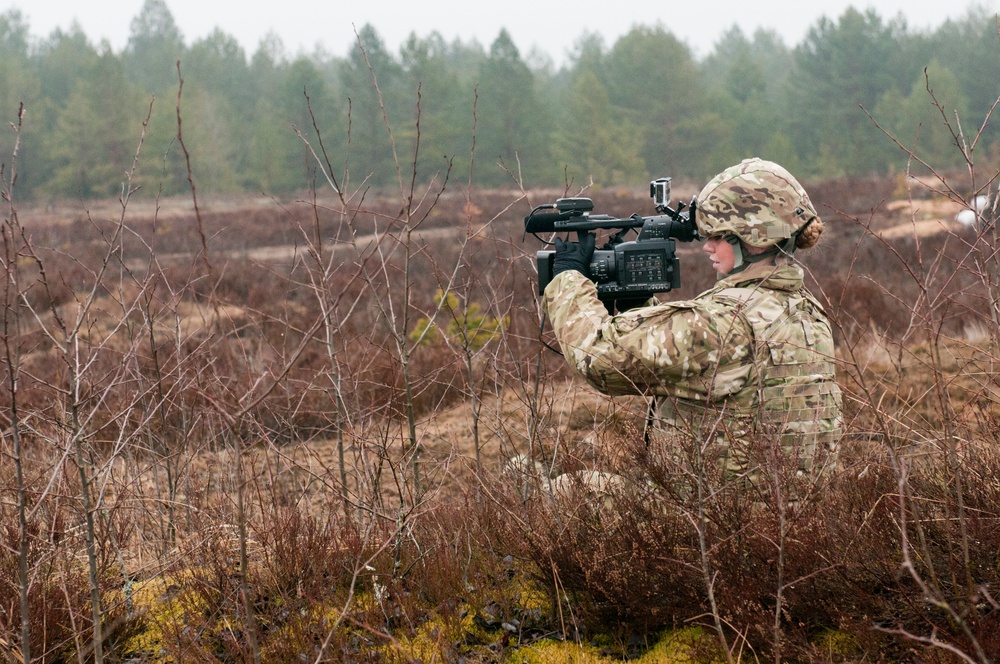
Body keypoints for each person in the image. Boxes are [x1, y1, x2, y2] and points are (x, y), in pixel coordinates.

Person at [542, 158, 842, 487]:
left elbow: (599, 359)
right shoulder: (807, 311)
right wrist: (636, 306)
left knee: (566, 488)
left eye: (719, 235)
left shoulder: (724, 322)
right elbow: (703, 361)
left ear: (753, 238)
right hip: (786, 518)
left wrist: (568, 279)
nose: (708, 245)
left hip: (711, 523)